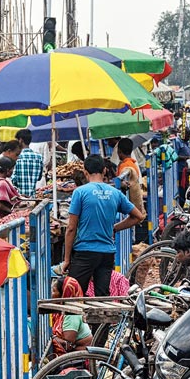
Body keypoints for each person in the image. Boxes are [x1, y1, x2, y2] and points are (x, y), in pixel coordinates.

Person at [62, 154, 144, 296]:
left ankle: (76, 318)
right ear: (105, 170)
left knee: (73, 295)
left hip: (84, 252)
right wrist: (115, 228)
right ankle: (100, 318)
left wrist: (67, 259)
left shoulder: (80, 192)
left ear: (85, 171)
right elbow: (138, 216)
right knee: (102, 297)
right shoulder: (115, 193)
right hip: (106, 253)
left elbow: (71, 228)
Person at [51, 276, 92, 355]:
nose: (51, 294)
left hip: (80, 357)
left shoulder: (71, 314)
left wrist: (52, 338)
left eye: (54, 291)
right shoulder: (59, 312)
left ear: (63, 293)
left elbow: (66, 345)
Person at [12, 128, 44, 197]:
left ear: (20, 140)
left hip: (19, 197)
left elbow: (13, 179)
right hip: (33, 197)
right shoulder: (39, 157)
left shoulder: (16, 157)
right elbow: (39, 177)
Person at [116, 137, 145, 216]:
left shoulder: (125, 166)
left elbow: (120, 182)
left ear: (119, 151)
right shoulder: (133, 164)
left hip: (128, 201)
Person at [171, 128, 190, 204]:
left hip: (187, 169)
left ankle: (184, 203)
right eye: (187, 135)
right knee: (181, 188)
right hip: (180, 170)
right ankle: (181, 203)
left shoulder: (186, 142)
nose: (188, 137)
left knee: (186, 187)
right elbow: (175, 156)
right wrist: (187, 157)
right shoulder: (177, 142)